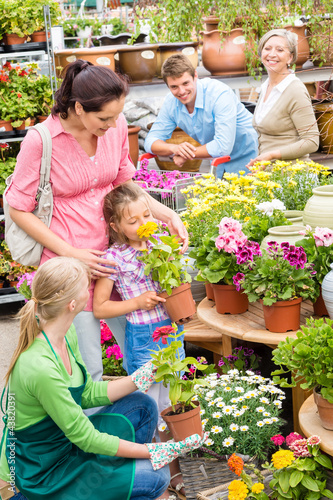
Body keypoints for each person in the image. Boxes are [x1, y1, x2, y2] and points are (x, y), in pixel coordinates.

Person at [5, 59, 188, 383]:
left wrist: (166, 213)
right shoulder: (42, 141)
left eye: (118, 115)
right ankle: (88, 430)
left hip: (118, 259)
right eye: (105, 118)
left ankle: (146, 422)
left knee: (147, 351)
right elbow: (18, 208)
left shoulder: (114, 127)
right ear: (78, 108)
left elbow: (124, 182)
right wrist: (71, 253)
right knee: (86, 368)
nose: (114, 124)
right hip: (71, 268)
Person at [0, 257, 204, 500]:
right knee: (156, 477)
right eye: (87, 286)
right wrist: (155, 450)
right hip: (40, 475)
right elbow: (84, 437)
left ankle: (111, 478)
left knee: (143, 405)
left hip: (64, 446)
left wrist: (139, 378)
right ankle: (109, 481)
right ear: (72, 304)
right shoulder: (39, 366)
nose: (92, 290)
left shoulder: (65, 334)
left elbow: (85, 394)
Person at [93, 183, 186, 499]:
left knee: (174, 403)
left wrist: (176, 253)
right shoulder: (114, 258)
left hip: (172, 331)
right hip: (144, 337)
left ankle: (176, 471)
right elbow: (100, 307)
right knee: (150, 406)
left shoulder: (160, 244)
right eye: (132, 221)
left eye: (147, 215)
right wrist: (137, 302)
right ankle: (159, 477)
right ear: (116, 226)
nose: (143, 223)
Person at [144, 54, 258, 178]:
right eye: (174, 87)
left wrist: (186, 154)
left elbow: (223, 146)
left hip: (249, 156)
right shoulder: (171, 103)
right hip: (218, 163)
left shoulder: (219, 94)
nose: (181, 91)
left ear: (195, 76)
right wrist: (174, 149)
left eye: (185, 83)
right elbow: (150, 142)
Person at [247, 29, 319, 168]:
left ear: (290, 58)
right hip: (270, 176)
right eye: (267, 48)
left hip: (292, 177)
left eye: (280, 50)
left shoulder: (294, 90)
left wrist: (271, 155)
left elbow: (312, 141)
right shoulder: (266, 87)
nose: (272, 54)